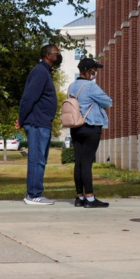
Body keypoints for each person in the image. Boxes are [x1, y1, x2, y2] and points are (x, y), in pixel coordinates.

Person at [18, 44, 62, 205]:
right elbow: (29, 97)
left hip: (42, 123)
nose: (58, 55)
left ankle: (35, 193)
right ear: (47, 55)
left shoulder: (45, 72)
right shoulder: (40, 71)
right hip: (36, 123)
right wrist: (21, 118)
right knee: (37, 160)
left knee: (40, 159)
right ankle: (33, 194)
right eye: (56, 53)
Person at [69, 57, 112, 208]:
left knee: (79, 162)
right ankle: (90, 199)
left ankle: (79, 197)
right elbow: (108, 101)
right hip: (91, 127)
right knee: (87, 163)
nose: (95, 73)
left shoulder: (72, 86)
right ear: (87, 71)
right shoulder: (91, 87)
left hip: (75, 127)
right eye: (94, 70)